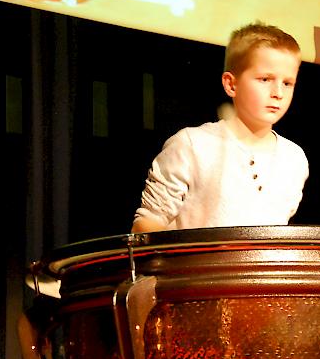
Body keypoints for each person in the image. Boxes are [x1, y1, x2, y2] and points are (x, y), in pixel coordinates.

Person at [132, 22, 309, 233]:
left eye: (287, 83)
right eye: (265, 79)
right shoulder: (192, 145)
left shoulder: (294, 159)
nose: (278, 92)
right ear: (231, 84)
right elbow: (147, 226)